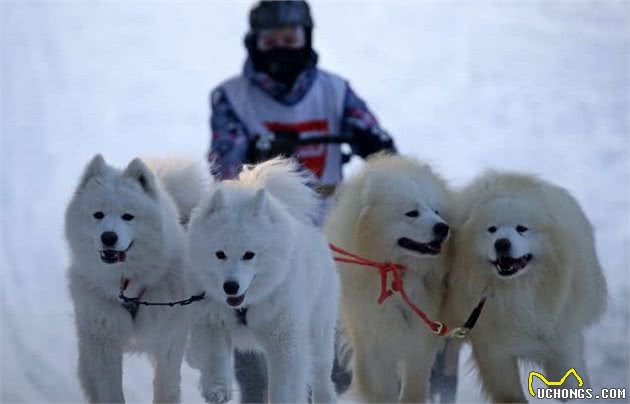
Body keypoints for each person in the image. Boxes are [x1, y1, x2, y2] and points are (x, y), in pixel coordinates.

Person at [206, 1, 458, 402]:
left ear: (306, 38)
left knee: (331, 344)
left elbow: (383, 152)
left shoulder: (336, 92)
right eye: (272, 41)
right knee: (261, 353)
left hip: (330, 230)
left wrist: (372, 145)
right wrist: (258, 150)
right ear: (255, 43)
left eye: (290, 39)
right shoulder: (231, 98)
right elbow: (224, 169)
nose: (281, 49)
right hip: (261, 237)